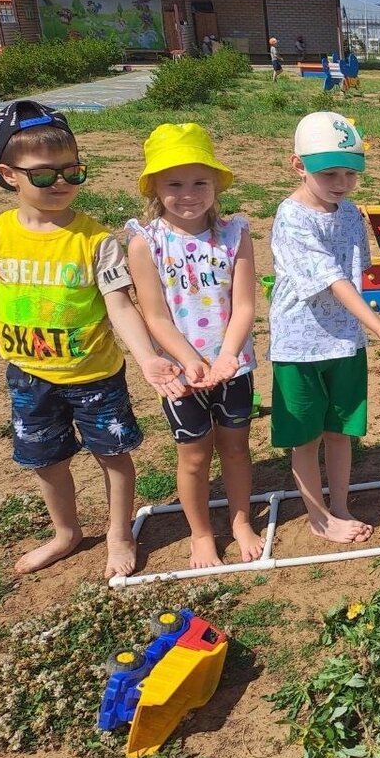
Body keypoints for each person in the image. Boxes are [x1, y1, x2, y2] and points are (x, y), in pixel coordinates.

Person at [0, 101, 185, 578]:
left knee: (114, 455)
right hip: (30, 377)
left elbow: (119, 305)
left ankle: (119, 533)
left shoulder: (95, 240)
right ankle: (66, 533)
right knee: (45, 459)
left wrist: (146, 358)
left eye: (73, 171)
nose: (60, 183)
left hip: (95, 376)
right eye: (43, 175)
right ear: (8, 174)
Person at [269, 111, 380, 544]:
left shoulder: (350, 214)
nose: (341, 182)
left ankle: (341, 505)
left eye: (350, 173)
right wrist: (377, 324)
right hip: (300, 345)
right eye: (329, 172)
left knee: (341, 431)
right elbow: (333, 279)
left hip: (345, 341)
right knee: (306, 436)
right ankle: (318, 516)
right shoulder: (291, 217)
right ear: (298, 165)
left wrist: (365, 326)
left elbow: (357, 271)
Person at [125, 123, 264, 569]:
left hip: (233, 366)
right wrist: (188, 360)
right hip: (181, 375)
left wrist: (226, 355)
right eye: (175, 183)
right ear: (155, 188)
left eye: (200, 181)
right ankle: (201, 532)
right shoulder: (146, 243)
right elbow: (155, 316)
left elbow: (244, 303)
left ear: (216, 183)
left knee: (237, 447)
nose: (189, 193)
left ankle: (241, 520)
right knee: (194, 454)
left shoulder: (234, 234)